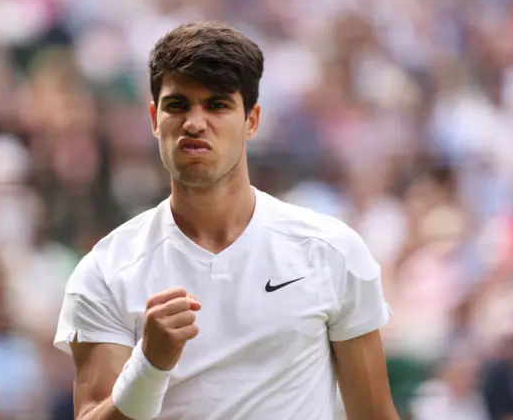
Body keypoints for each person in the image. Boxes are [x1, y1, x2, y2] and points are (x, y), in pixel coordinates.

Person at [54, 21, 399, 420]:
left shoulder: (332, 252)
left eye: (217, 105)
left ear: (252, 120)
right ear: (154, 118)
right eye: (177, 105)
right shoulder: (104, 272)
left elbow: (374, 413)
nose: (195, 123)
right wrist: (150, 365)